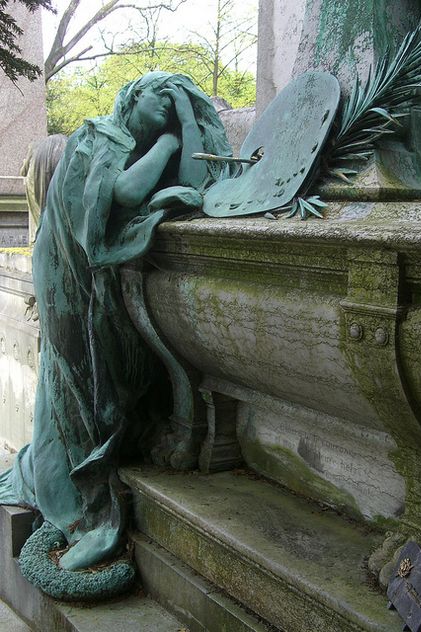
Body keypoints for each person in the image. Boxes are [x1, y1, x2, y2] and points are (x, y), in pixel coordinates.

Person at [0, 71, 232, 575]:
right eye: (161, 96)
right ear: (131, 93)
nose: (169, 108)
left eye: (179, 107)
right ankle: (84, 512)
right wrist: (171, 138)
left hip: (93, 277)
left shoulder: (145, 144)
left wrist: (187, 120)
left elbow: (196, 179)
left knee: (92, 385)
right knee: (74, 386)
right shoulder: (97, 135)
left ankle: (62, 476)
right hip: (65, 269)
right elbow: (124, 192)